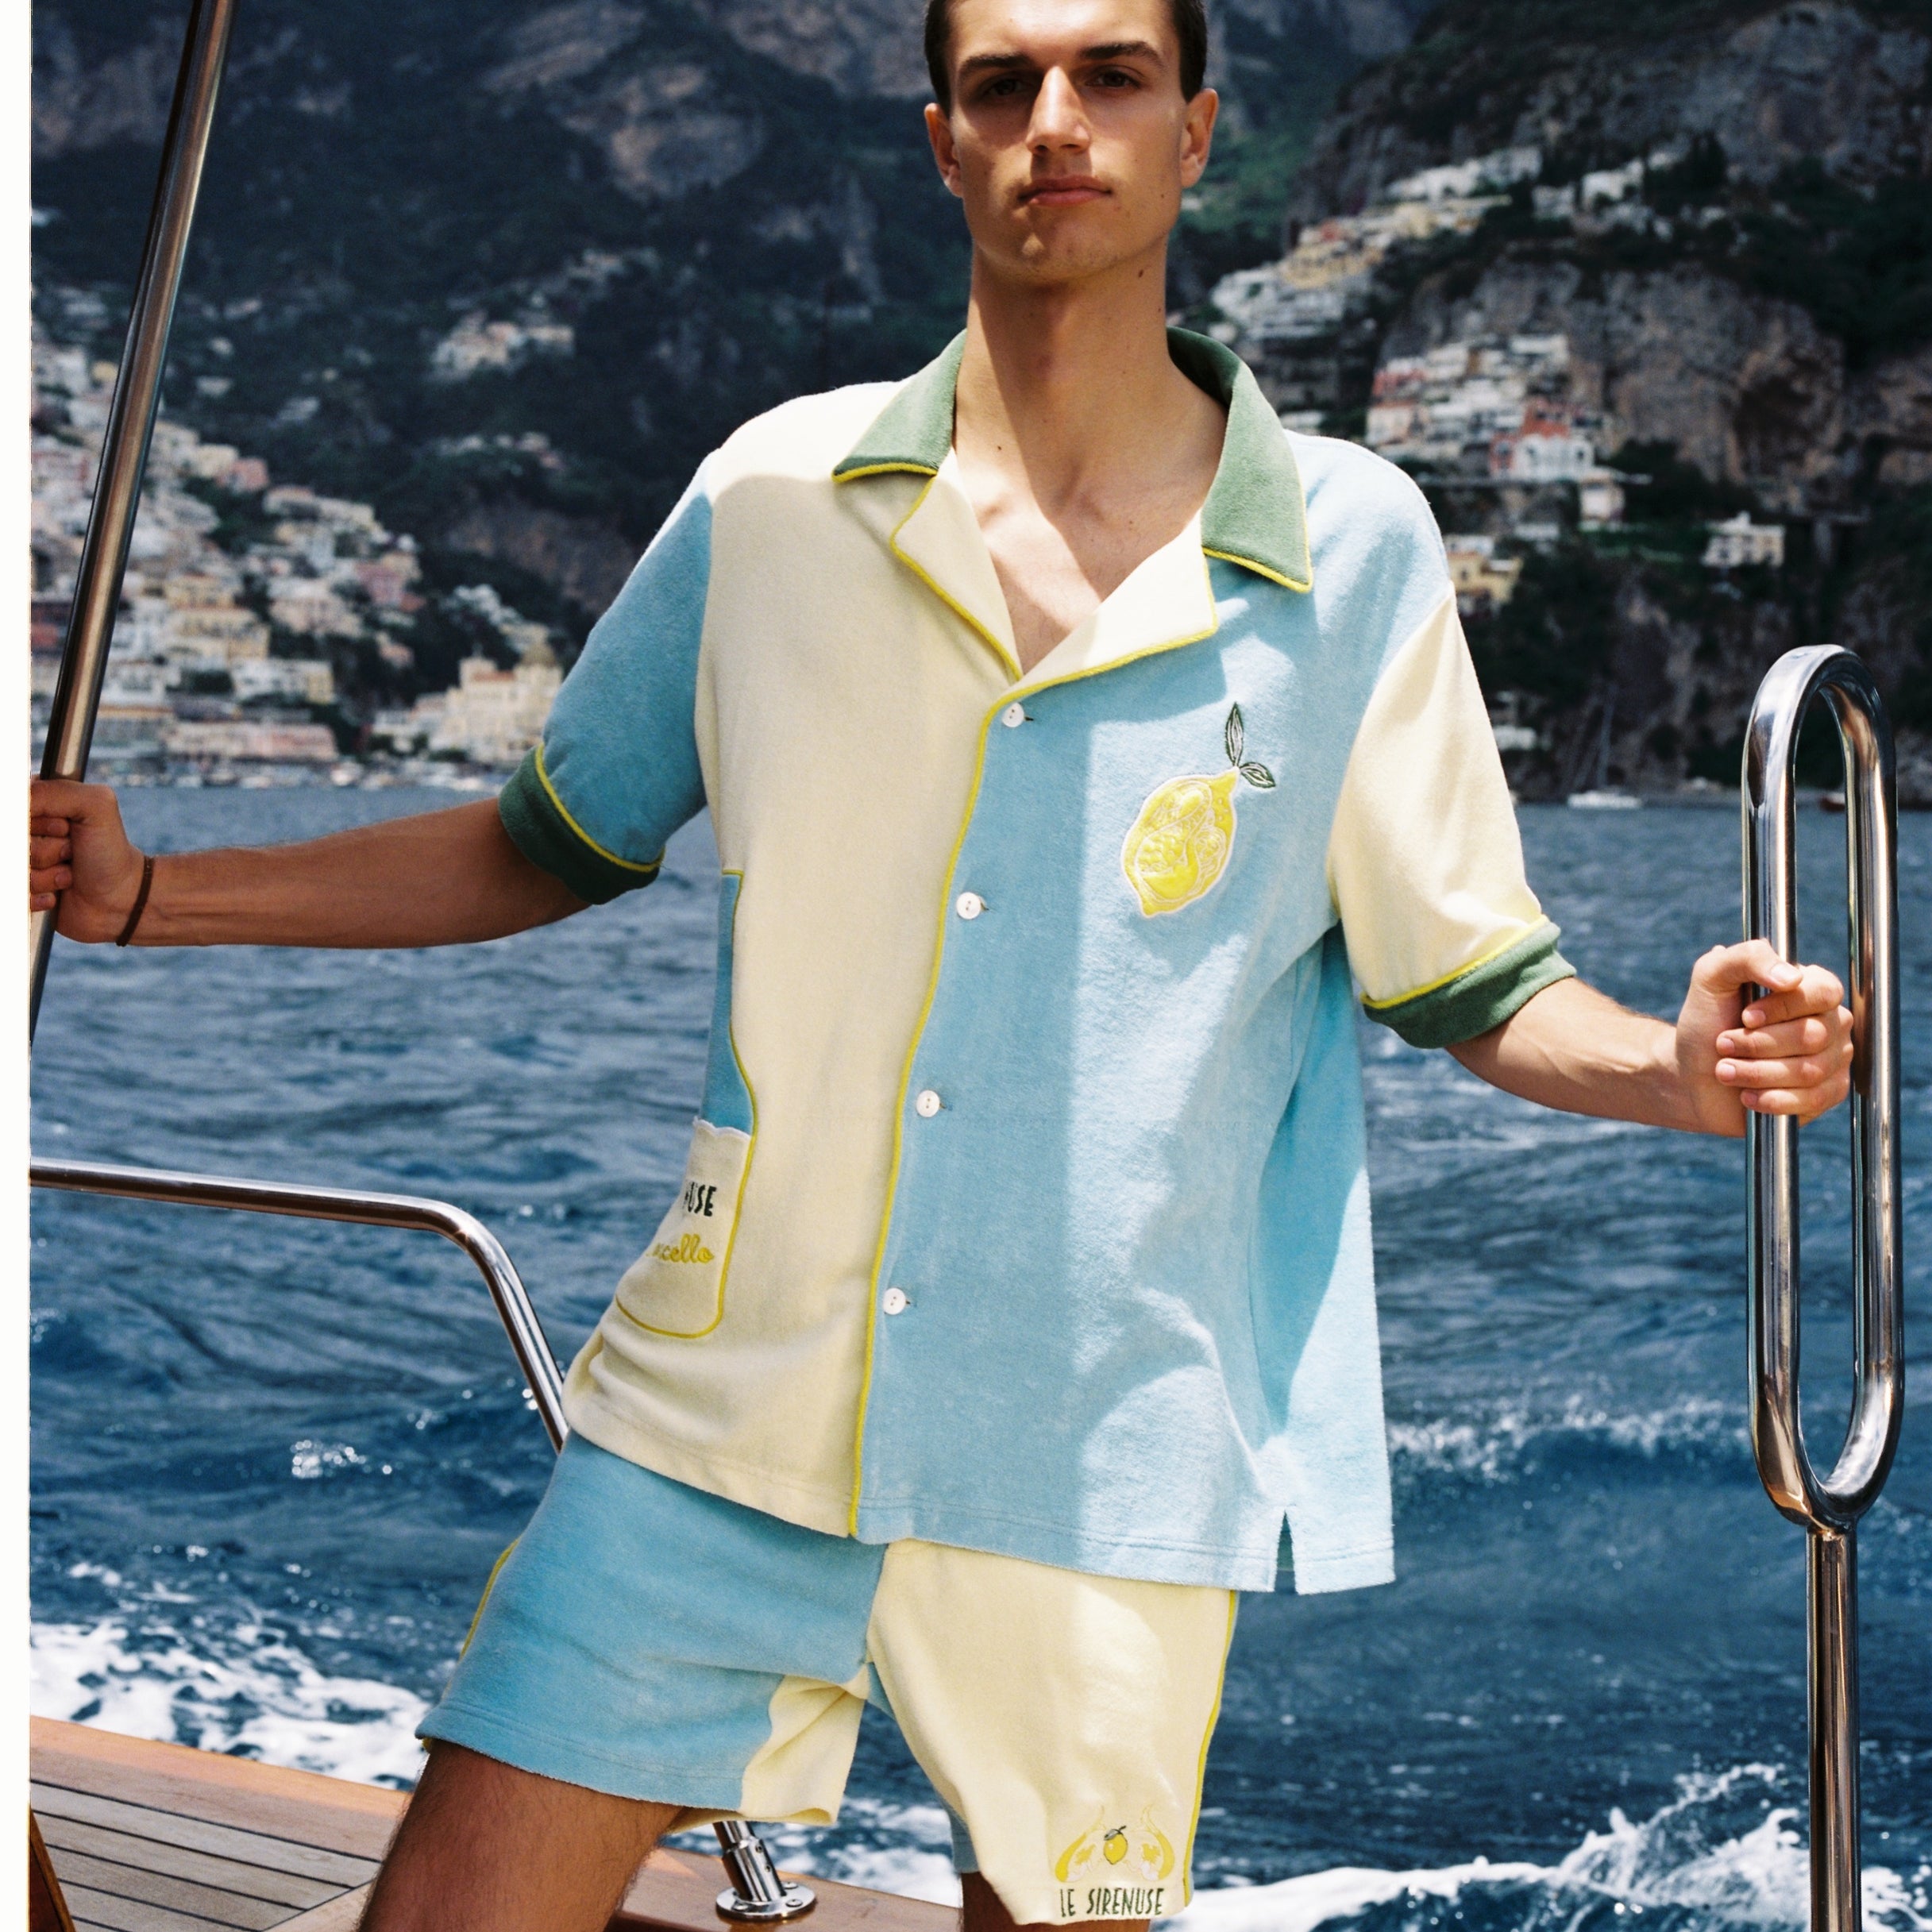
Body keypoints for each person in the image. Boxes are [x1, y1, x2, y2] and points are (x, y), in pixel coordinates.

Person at [29, 0, 1856, 1927]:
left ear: (1195, 132)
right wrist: (156, 893)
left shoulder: (1352, 546)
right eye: (1002, 83)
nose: (1053, 119)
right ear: (937, 141)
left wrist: (1669, 1066)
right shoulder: (769, 498)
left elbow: (1472, 979)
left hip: (1103, 1457)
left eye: (1110, 78)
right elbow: (532, 843)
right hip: (721, 1416)